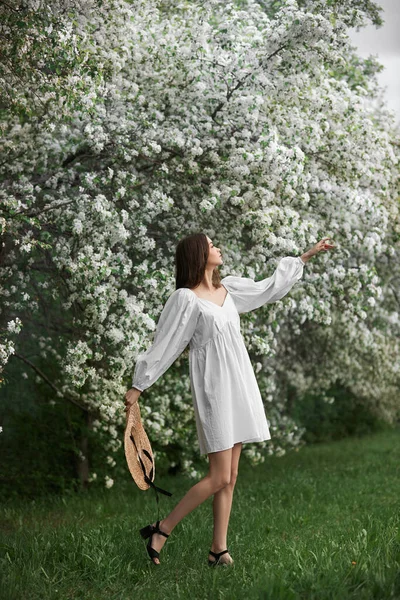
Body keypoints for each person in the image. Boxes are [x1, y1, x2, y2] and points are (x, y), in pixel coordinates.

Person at [124, 233, 335, 565]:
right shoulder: (186, 299)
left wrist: (305, 257)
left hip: (239, 384)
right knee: (219, 475)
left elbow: (267, 288)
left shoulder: (230, 290)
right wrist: (140, 384)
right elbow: (166, 343)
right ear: (198, 254)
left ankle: (218, 549)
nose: (217, 248)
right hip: (214, 389)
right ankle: (161, 529)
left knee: (231, 475)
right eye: (210, 245)